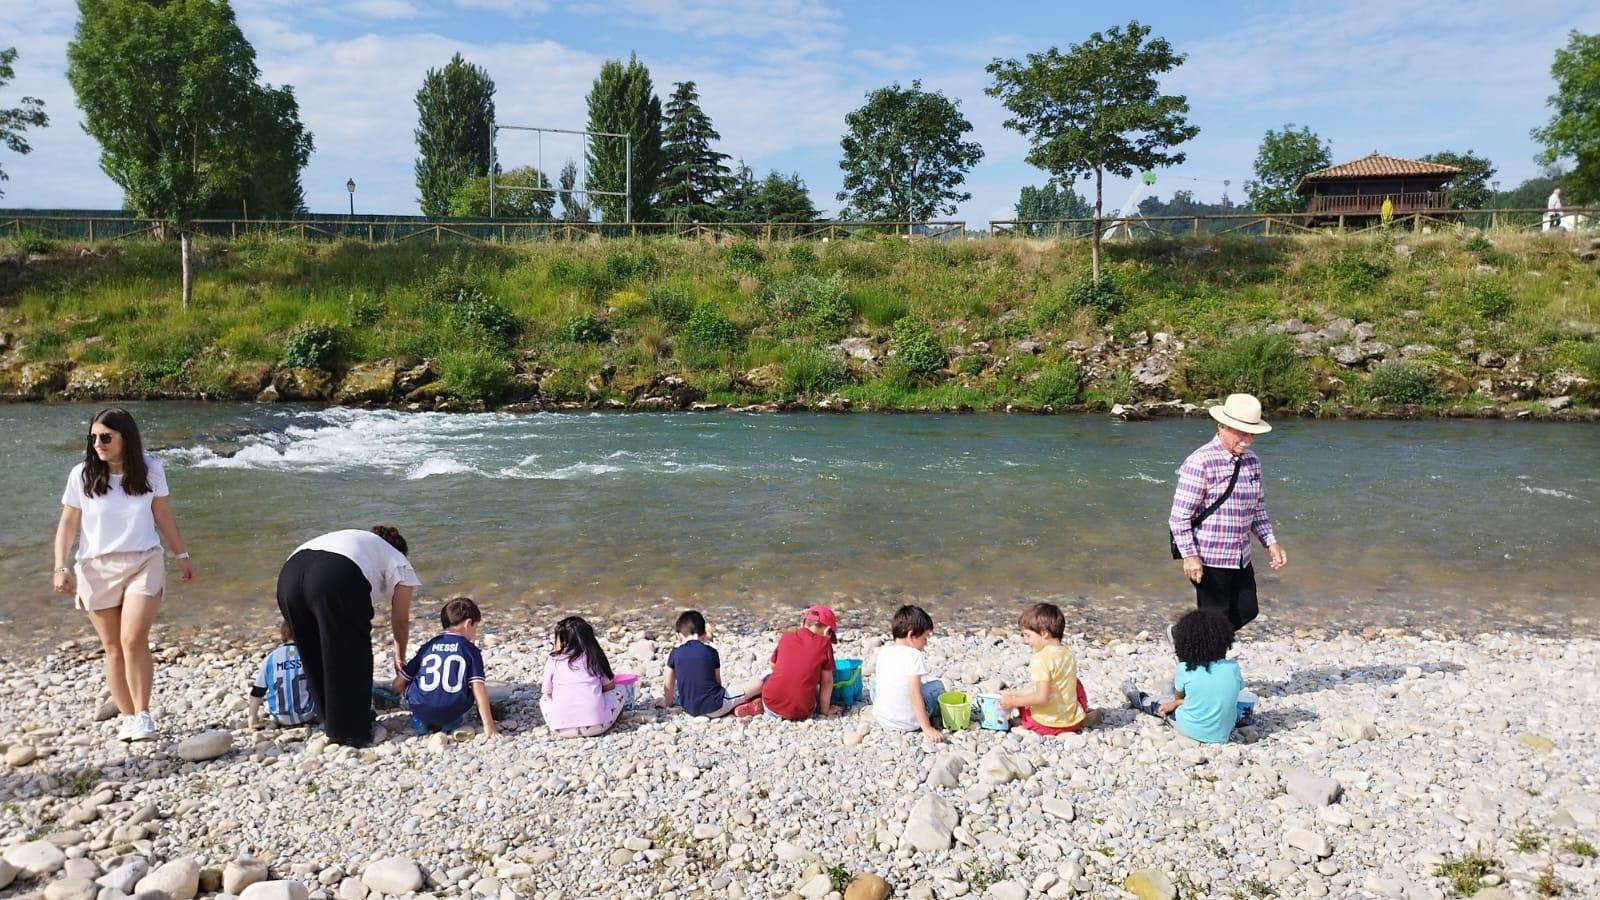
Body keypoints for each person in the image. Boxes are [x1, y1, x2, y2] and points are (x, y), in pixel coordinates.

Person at [52, 408, 196, 742]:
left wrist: (182, 555)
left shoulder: (151, 470)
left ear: (125, 438)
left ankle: (143, 714)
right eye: (93, 438)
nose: (98, 444)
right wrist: (60, 567)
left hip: (144, 561)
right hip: (95, 568)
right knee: (113, 647)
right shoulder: (82, 475)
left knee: (133, 639)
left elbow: (162, 515)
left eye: (106, 437)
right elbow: (68, 524)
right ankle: (127, 716)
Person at [277, 526, 419, 746]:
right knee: (353, 650)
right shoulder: (397, 558)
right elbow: (400, 619)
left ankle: (329, 721)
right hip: (334, 574)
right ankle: (354, 729)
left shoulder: (354, 540)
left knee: (312, 648)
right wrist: (399, 655)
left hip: (289, 575)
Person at [1168, 393, 1287, 631]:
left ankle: (1187, 636)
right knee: (1215, 618)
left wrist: (1270, 543)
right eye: (1241, 432)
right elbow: (1179, 517)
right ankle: (1206, 657)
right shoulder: (1200, 462)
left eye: (1251, 433)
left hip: (1240, 555)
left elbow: (1257, 508)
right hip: (1209, 555)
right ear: (1221, 427)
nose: (1248, 440)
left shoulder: (1252, 462)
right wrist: (1190, 557)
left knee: (1247, 610)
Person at [1122, 609, 1246, 744]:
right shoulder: (1232, 668)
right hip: (1223, 732)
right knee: (1189, 694)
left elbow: (1179, 698)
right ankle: (1167, 691)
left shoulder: (1185, 669)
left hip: (1192, 728)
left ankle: (1133, 695)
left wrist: (1175, 702)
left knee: (1156, 704)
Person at [394, 597, 499, 739]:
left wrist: (409, 695)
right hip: (451, 712)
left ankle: (420, 721)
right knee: (471, 683)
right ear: (468, 624)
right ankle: (450, 723)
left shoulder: (428, 646)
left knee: (413, 678)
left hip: (421, 708)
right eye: (476, 627)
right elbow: (478, 688)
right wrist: (489, 726)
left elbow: (397, 684)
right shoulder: (470, 650)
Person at [998, 603, 1100, 735]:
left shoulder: (1041, 659)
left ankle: (1020, 722)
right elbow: (1050, 686)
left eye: (1028, 635)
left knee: (1024, 706)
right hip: (1072, 720)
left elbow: (1041, 697)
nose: (1025, 640)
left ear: (1044, 634)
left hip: (1048, 725)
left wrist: (1013, 701)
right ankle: (1081, 717)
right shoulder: (1066, 653)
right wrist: (1015, 692)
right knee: (1074, 683)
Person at [733, 604, 841, 720]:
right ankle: (767, 704)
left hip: (770, 704)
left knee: (768, 678)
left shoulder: (786, 637)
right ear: (828, 631)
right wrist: (824, 711)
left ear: (802, 624)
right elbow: (827, 683)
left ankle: (759, 703)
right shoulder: (824, 644)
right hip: (801, 712)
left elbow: (773, 664)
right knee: (815, 687)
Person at [661, 610, 763, 718]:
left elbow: (668, 683)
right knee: (758, 684)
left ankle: (743, 704)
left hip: (689, 709)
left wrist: (668, 704)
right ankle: (746, 704)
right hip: (715, 707)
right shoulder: (711, 652)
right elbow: (717, 682)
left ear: (679, 636)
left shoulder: (675, 653)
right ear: (704, 635)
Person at [540, 616, 625, 738]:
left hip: (561, 729)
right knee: (620, 690)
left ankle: (565, 718)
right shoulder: (594, 656)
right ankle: (612, 718)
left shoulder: (553, 659)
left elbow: (547, 693)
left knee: (543, 699)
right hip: (599, 726)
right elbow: (609, 687)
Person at [871, 605, 946, 743]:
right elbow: (914, 693)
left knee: (875, 683)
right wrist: (927, 727)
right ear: (911, 636)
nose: (926, 643)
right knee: (938, 685)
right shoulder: (914, 655)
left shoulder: (884, 651)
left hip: (882, 718)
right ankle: (921, 718)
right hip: (908, 723)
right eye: (925, 638)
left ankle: (887, 707)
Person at [248, 620, 316, 729]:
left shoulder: (270, 658)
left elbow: (257, 692)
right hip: (307, 715)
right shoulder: (308, 656)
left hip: (279, 718)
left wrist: (253, 719)